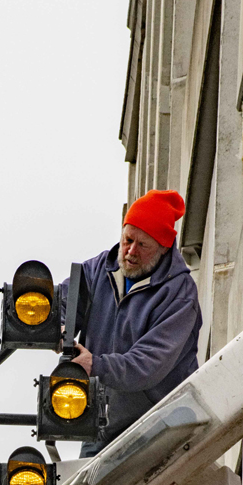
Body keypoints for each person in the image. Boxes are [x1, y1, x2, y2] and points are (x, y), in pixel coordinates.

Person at [60, 189, 202, 457]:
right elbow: (64, 302)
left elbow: (147, 365)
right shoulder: (98, 269)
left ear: (163, 248)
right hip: (101, 425)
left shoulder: (180, 296)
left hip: (160, 428)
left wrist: (95, 365)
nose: (130, 252)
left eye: (143, 245)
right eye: (128, 240)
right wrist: (57, 327)